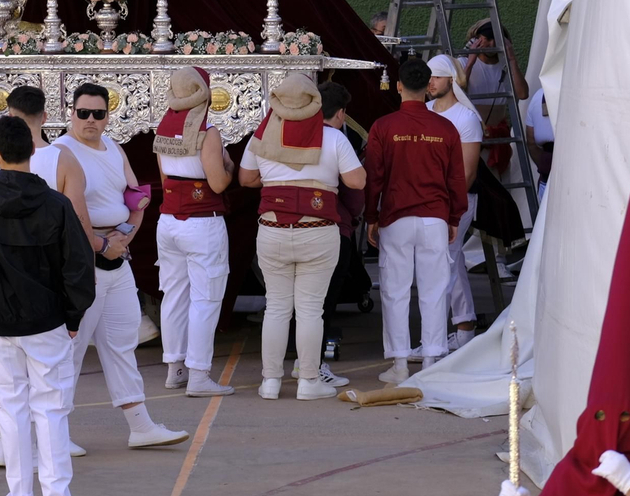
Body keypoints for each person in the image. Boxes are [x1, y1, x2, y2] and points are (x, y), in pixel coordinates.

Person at [0, 116, 96, 496]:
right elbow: (79, 267)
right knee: (51, 411)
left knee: (10, 413)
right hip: (48, 322)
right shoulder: (56, 205)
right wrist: (74, 316)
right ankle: (57, 494)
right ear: (32, 150)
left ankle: (19, 494)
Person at [54, 83, 189, 447]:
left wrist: (124, 237)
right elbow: (66, 213)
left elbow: (136, 196)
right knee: (70, 349)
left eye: (98, 113)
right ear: (71, 113)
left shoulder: (114, 147)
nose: (91, 120)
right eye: (83, 113)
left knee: (122, 343)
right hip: (81, 261)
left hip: (118, 254)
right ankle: (56, 434)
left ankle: (140, 426)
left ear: (107, 116)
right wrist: (100, 245)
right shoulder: (61, 152)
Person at [239, 73, 365, 400]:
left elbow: (246, 178)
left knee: (276, 308)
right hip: (318, 230)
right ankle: (308, 381)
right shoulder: (333, 137)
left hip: (272, 229)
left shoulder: (263, 134)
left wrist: (277, 181)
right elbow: (357, 181)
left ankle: (270, 382)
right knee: (310, 310)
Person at [366, 58, 469, 383]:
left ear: (398, 86)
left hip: (395, 217)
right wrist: (454, 217)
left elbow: (374, 178)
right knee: (435, 290)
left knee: (395, 290)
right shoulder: (446, 128)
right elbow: (456, 180)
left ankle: (399, 365)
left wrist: (371, 217)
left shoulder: (383, 127)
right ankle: (430, 362)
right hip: (435, 219)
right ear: (428, 87)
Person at [151, 67, 236, 398]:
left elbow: (164, 180)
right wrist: (229, 166)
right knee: (206, 299)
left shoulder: (162, 127)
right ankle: (199, 375)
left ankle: (175, 369)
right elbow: (218, 183)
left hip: (169, 220)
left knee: (174, 296)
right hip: (202, 222)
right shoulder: (207, 131)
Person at [425, 54, 484, 351]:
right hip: (427, 200)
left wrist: (450, 207)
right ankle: (464, 327)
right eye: (428, 77)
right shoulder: (424, 111)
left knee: (445, 260)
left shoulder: (466, 118)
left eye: (437, 76)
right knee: (449, 259)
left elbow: (468, 171)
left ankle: (444, 336)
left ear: (451, 79)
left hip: (457, 201)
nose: (431, 82)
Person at [458, 20, 528, 176]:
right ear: (476, 40)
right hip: (472, 137)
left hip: (498, 138)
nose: (492, 44)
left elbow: (523, 94)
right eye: (487, 39)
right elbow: (457, 93)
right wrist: (470, 62)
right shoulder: (463, 63)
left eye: (497, 39)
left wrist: (512, 60)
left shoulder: (506, 66)